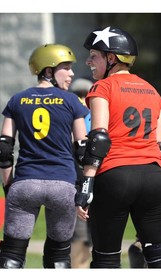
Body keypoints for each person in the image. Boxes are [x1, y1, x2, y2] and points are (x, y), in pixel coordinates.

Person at [75, 26, 161, 268]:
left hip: (116, 175)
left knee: (106, 260)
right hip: (153, 177)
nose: (88, 61)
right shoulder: (152, 90)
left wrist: (86, 184)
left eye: (94, 55)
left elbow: (99, 139)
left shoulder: (102, 88)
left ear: (111, 58)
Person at [0, 43, 89, 269]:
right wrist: (85, 190)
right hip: (62, 185)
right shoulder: (72, 101)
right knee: (59, 257)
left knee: (11, 254)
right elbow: (83, 149)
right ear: (48, 71)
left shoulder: (17, 100)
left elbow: (4, 149)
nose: (72, 73)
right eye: (66, 67)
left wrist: (9, 186)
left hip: (26, 183)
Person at [69, 77, 93, 268]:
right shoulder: (71, 114)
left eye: (86, 94)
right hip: (78, 179)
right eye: (78, 95)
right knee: (80, 235)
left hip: (100, 178)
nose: (82, 98)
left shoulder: (98, 114)